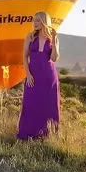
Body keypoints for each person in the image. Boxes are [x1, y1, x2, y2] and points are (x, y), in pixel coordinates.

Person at [17, 11, 61, 140]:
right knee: (30, 103)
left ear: (44, 22)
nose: (34, 23)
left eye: (38, 20)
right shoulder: (30, 37)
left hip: (48, 76)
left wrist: (54, 40)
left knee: (49, 105)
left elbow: (54, 58)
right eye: (34, 20)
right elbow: (24, 57)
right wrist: (28, 74)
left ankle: (48, 134)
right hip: (33, 75)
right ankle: (28, 134)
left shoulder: (52, 39)